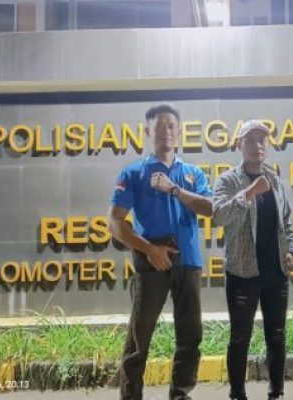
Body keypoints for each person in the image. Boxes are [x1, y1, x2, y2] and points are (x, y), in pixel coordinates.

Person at [108, 104, 213, 400]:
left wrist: (174, 190)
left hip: (188, 262)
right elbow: (114, 223)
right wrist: (150, 249)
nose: (165, 131)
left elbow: (211, 209)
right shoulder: (134, 173)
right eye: (159, 126)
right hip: (152, 262)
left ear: (178, 132)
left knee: (190, 336)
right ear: (147, 132)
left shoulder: (192, 173)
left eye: (170, 125)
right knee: (139, 338)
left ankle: (180, 394)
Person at [212, 120, 293, 400]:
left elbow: (286, 220)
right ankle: (237, 394)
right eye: (250, 140)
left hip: (276, 271)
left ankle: (277, 392)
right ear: (240, 144)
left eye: (262, 140)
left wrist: (291, 249)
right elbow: (219, 216)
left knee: (277, 334)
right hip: (243, 272)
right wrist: (249, 193)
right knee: (240, 338)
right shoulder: (228, 180)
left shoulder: (274, 179)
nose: (257, 145)